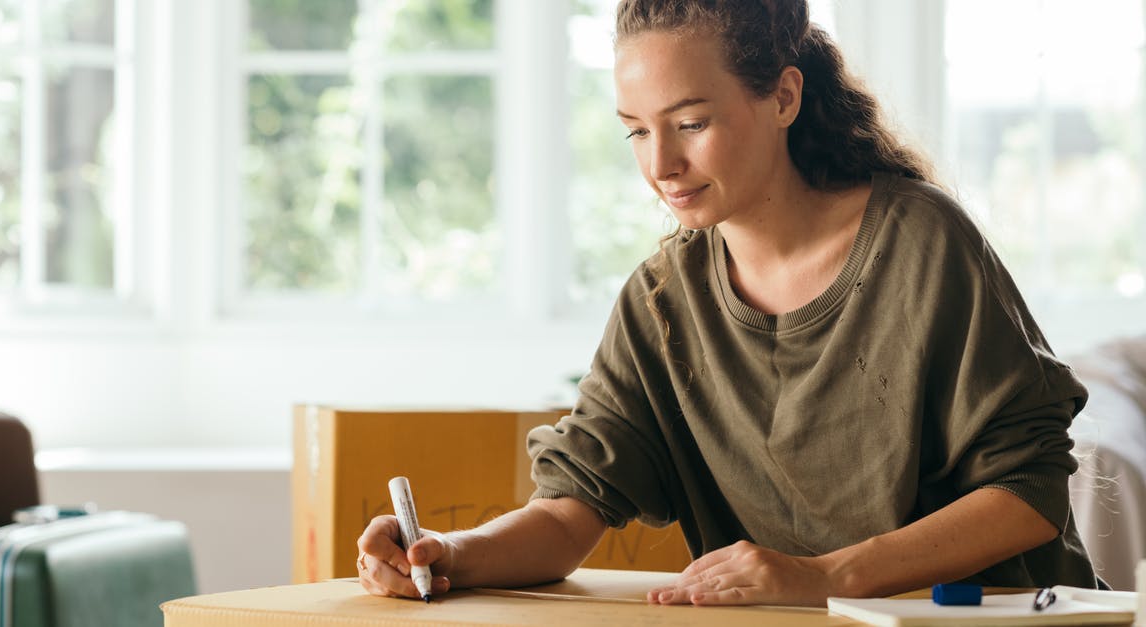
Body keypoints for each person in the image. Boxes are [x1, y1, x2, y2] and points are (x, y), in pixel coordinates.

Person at [357, 0, 1101, 607]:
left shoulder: (923, 242)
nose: (661, 166)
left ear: (783, 96)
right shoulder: (660, 300)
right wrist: (444, 553)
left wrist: (824, 575)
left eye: (691, 123)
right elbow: (567, 513)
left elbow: (1029, 490)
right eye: (637, 132)